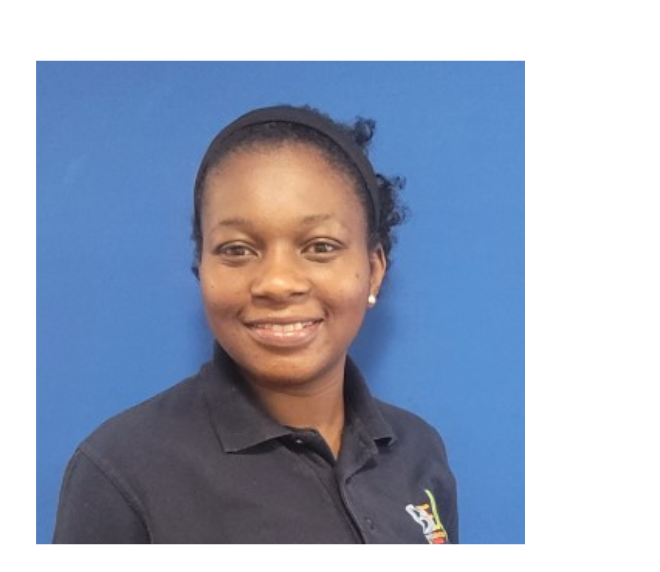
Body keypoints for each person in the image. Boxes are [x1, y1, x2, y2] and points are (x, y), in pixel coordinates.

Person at [53, 105, 458, 544]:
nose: (277, 283)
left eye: (320, 246)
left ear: (374, 270)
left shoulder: (418, 450)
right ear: (201, 268)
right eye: (237, 250)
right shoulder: (122, 472)